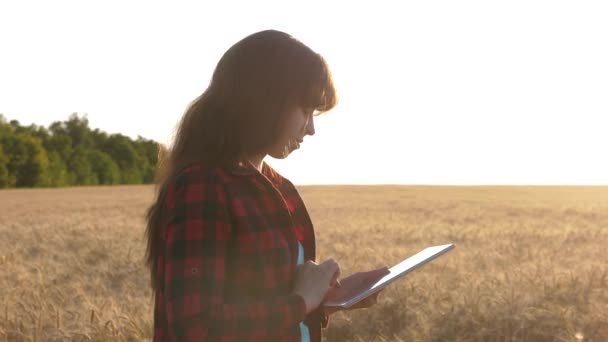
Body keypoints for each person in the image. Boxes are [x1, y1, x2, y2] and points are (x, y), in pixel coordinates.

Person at [144, 29, 382, 342]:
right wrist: (301, 302)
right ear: (266, 101)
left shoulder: (278, 187)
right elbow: (196, 327)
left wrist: (325, 300)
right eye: (306, 110)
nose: (310, 129)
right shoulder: (203, 186)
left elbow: (262, 301)